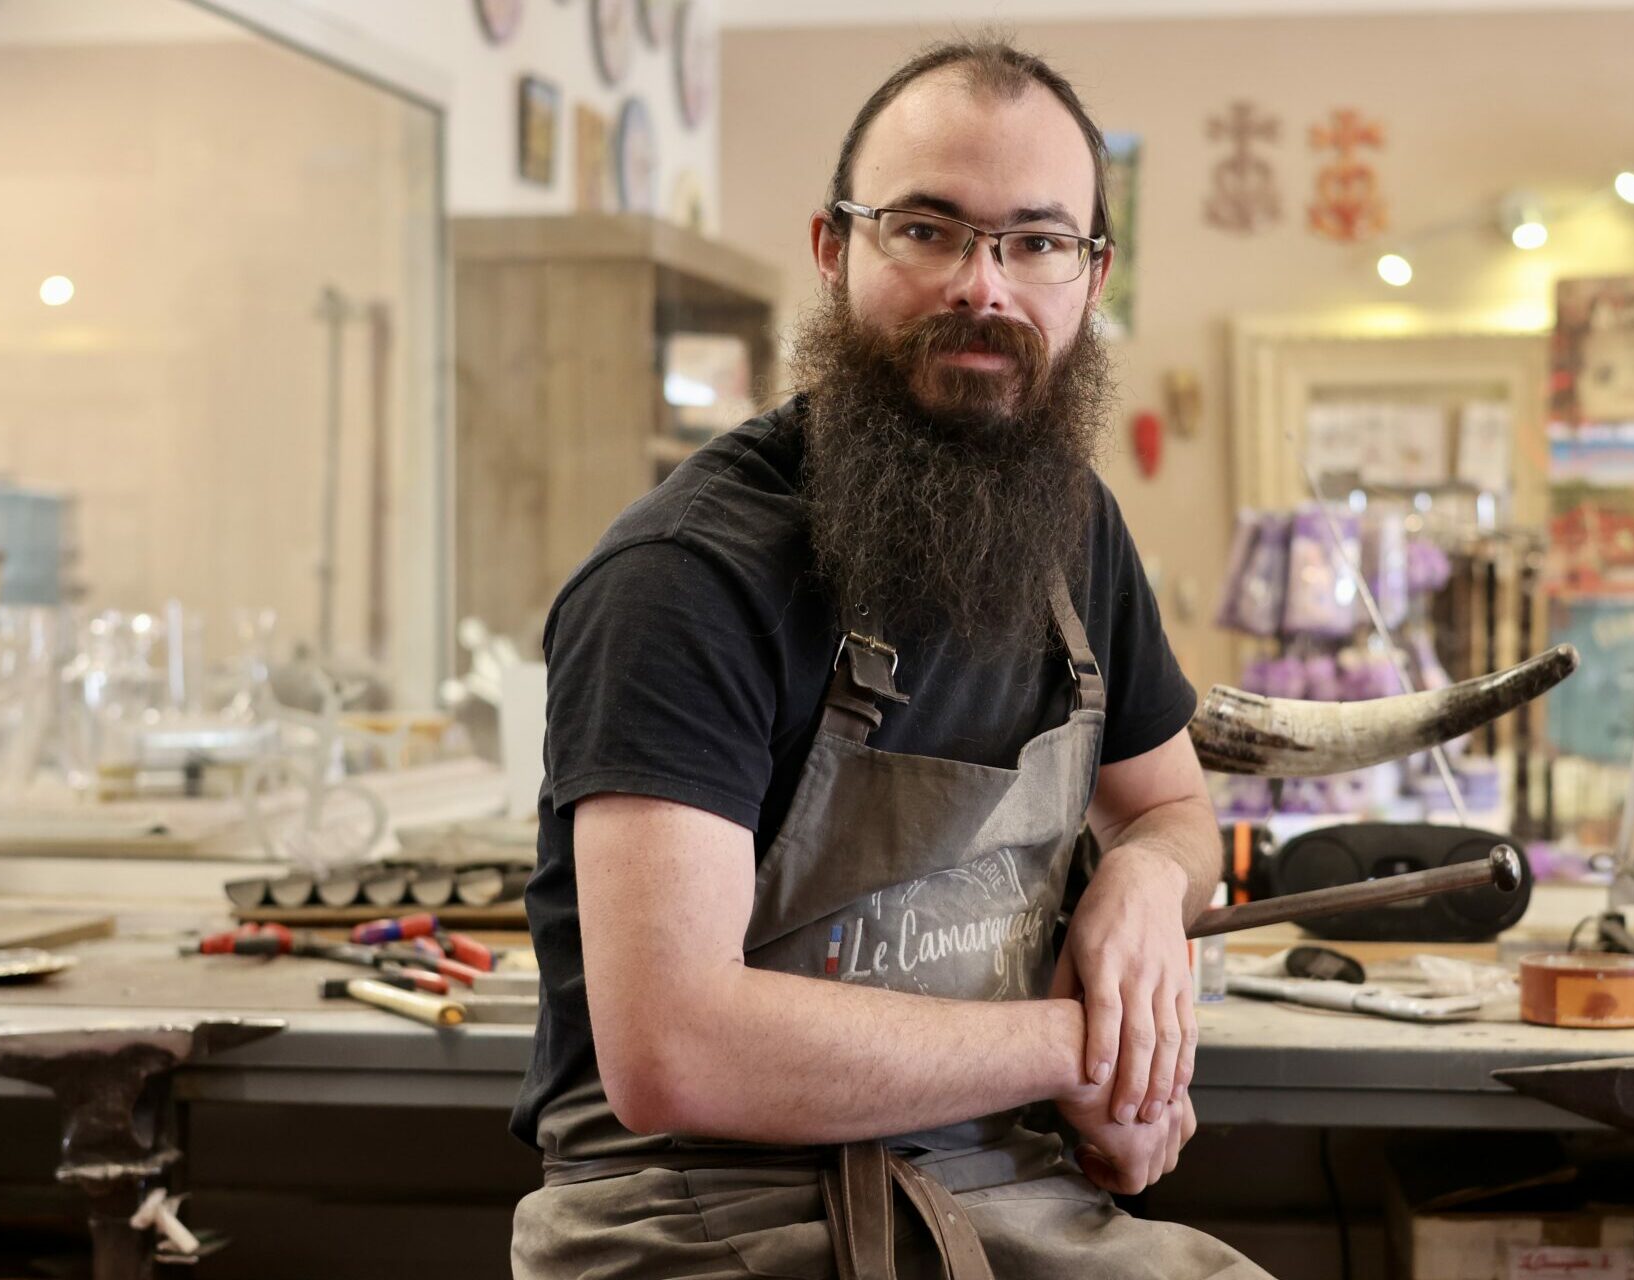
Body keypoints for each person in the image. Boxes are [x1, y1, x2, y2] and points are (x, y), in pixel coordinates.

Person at [510, 37, 1269, 1280]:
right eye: (928, 228)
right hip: (703, 1212)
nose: (985, 285)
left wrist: (1146, 884)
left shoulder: (1074, 533)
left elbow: (1174, 803)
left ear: (1090, 275)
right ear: (833, 247)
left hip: (994, 1183)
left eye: (1035, 241)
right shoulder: (681, 579)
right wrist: (1097, 1048)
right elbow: (674, 1048)